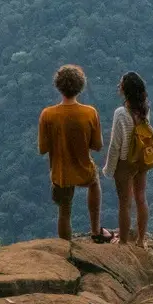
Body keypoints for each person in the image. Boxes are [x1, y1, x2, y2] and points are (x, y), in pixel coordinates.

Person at [38, 63, 107, 243]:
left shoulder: (47, 114)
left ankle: (66, 248)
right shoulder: (90, 113)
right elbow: (98, 145)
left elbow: (42, 148)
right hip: (84, 168)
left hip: (60, 172)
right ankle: (95, 231)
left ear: (58, 86)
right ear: (80, 87)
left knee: (64, 211)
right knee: (94, 183)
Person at [103, 71, 153, 246]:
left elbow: (115, 144)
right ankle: (140, 240)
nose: (119, 86)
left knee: (124, 202)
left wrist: (109, 169)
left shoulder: (121, 113)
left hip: (125, 161)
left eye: (121, 84)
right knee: (141, 197)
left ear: (125, 90)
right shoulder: (145, 108)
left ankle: (123, 241)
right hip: (141, 159)